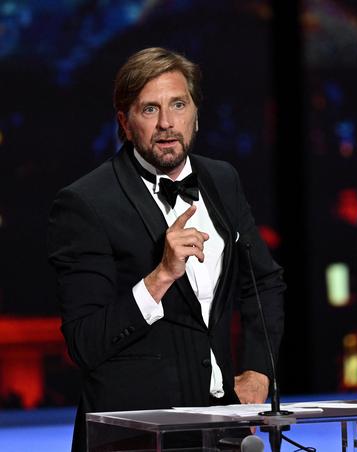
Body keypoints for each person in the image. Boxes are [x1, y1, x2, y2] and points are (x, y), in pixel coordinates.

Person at [48, 47, 285, 451]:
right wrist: (160, 276)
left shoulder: (222, 180)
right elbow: (84, 343)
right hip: (132, 435)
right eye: (149, 110)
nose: (166, 123)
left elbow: (264, 281)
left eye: (178, 104)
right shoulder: (86, 202)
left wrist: (258, 368)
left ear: (196, 112)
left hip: (221, 427)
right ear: (124, 123)